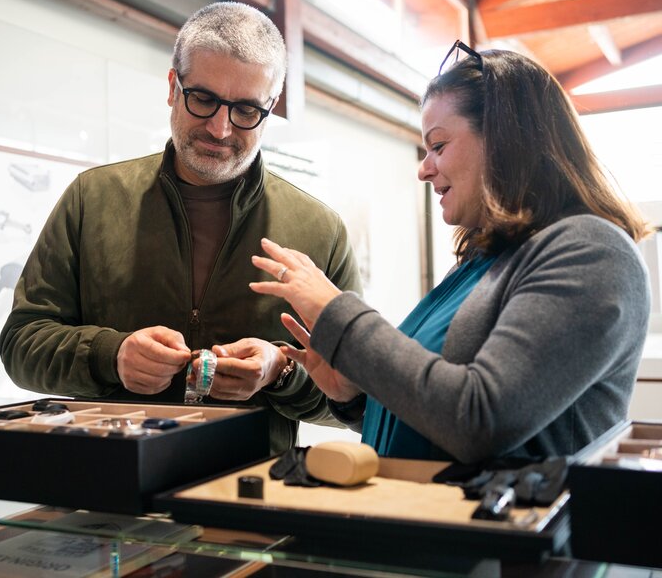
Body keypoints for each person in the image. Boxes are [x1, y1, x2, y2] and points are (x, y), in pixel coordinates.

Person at [250, 43, 651, 464]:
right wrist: (355, 398)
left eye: (438, 146)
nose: (423, 168)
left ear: (504, 140)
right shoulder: (485, 261)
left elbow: (481, 420)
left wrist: (339, 315)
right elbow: (436, 413)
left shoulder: (591, 253)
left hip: (515, 528)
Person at [0, 2, 362, 454]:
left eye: (246, 110)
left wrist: (281, 374)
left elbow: (357, 401)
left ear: (269, 109)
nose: (221, 128)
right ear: (173, 87)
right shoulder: (92, 198)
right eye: (204, 99)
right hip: (109, 491)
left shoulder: (320, 230)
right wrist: (110, 356)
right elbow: (20, 344)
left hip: (251, 500)